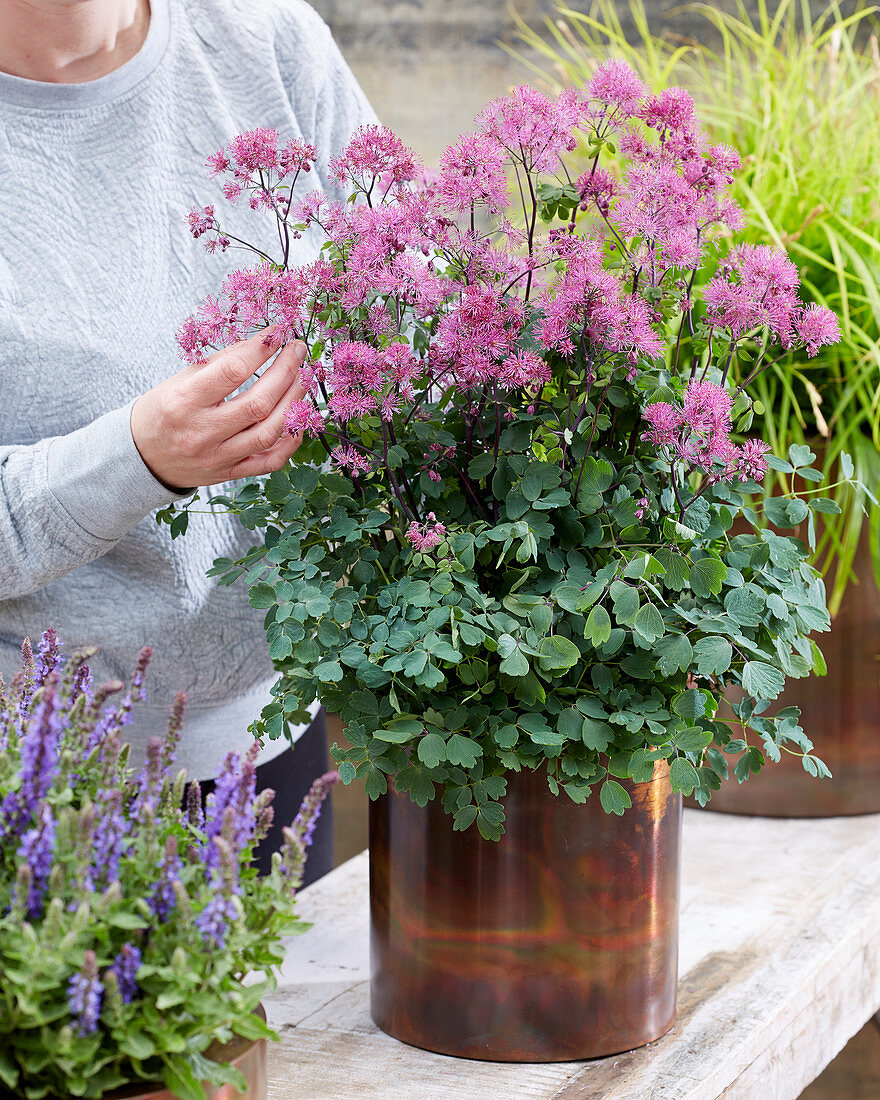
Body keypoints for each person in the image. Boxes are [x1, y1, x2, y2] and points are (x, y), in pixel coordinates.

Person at [0, 0, 377, 883]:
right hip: (34, 787)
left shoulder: (266, 40)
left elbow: (415, 288)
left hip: (269, 753)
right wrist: (136, 459)